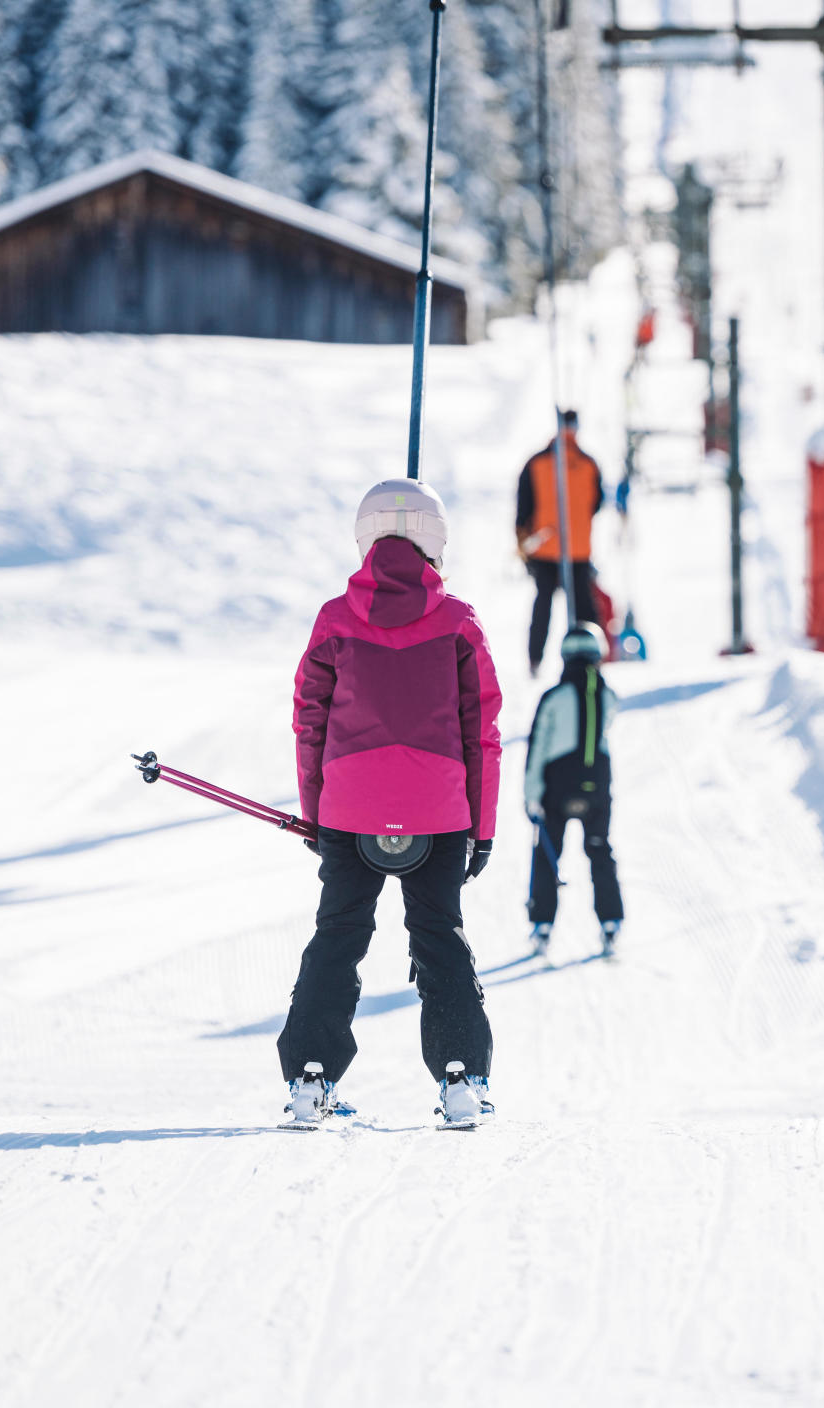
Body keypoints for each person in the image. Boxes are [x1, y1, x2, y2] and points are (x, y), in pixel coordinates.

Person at [279, 478, 504, 1129]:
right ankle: (462, 1077)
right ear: (436, 540)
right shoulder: (459, 621)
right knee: (439, 936)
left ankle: (308, 1078)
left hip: (350, 807)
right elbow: (481, 730)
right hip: (439, 809)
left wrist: (318, 813)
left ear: (364, 536)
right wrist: (480, 830)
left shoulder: (335, 618)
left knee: (339, 933)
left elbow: (308, 719)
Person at [525, 622, 624, 954]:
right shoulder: (607, 695)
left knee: (548, 853)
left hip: (557, 787)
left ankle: (542, 922)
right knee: (599, 848)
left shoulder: (553, 697)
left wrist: (531, 795)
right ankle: (610, 921)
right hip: (596, 785)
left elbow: (538, 746)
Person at [516, 410, 605, 675]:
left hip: (543, 547)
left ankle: (535, 661)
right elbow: (597, 503)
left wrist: (523, 543)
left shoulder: (537, 462)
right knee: (584, 609)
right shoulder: (589, 463)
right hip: (578, 550)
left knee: (542, 607)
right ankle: (591, 657)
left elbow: (524, 506)